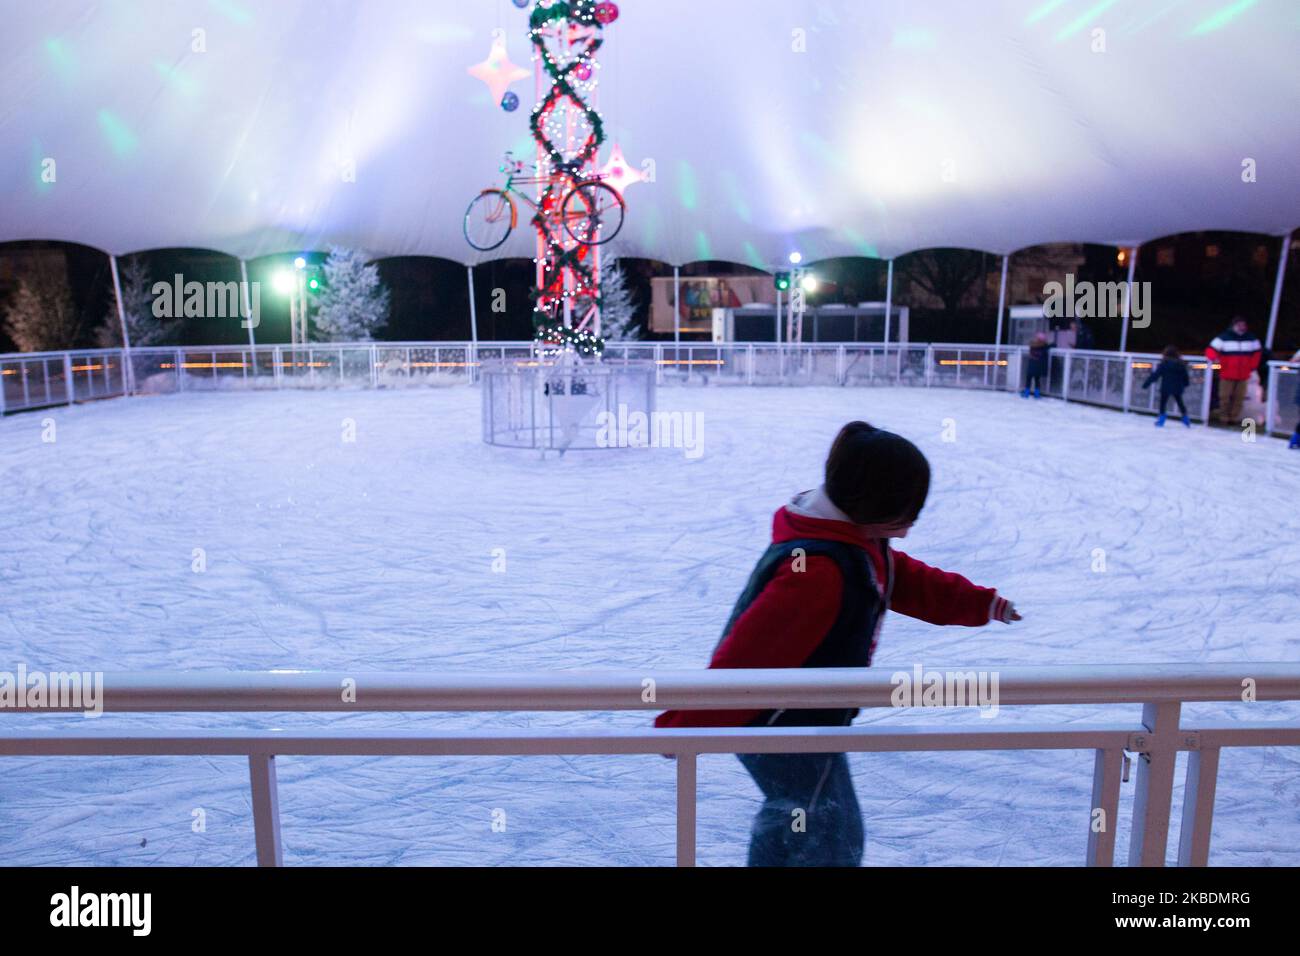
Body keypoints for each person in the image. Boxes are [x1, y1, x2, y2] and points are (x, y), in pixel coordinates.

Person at [655, 422, 1020, 866]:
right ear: (872, 503)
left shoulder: (858, 541)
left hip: (799, 716)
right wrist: (687, 723)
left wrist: (981, 604)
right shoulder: (819, 572)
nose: (910, 525)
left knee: (800, 818)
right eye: (906, 513)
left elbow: (905, 579)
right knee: (831, 832)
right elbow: (751, 653)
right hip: (779, 723)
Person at [1204, 317, 1262, 426]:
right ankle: (1224, 417)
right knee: (1224, 396)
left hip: (1243, 374)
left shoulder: (1251, 339)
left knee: (1239, 397)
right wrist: (1215, 359)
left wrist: (1252, 366)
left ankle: (1233, 418)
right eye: (1239, 325)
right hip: (1227, 373)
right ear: (1234, 325)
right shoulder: (1224, 337)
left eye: (1243, 325)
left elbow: (1257, 353)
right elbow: (1210, 350)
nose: (1242, 327)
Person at [1141, 345, 1191, 427]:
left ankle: (1161, 420)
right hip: (1177, 387)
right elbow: (1185, 376)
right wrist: (1186, 383)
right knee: (1180, 402)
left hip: (1166, 387)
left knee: (1163, 403)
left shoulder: (1164, 364)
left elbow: (1155, 375)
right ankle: (1186, 419)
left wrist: (1146, 384)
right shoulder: (1181, 364)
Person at [1022, 332, 1051, 398]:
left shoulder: (1032, 345)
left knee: (1028, 379)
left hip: (1032, 364)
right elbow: (1052, 345)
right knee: (1037, 380)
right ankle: (1037, 394)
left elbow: (1031, 353)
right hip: (1039, 366)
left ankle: (1026, 393)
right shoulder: (1045, 346)